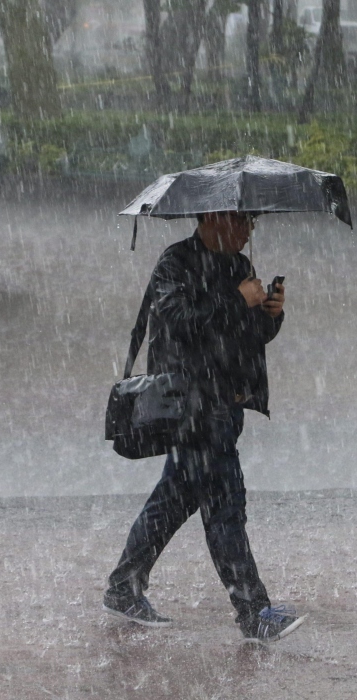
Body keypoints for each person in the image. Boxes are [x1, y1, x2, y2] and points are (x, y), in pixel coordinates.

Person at [103, 210, 304, 643]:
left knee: (174, 500)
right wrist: (236, 300)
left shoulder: (240, 266)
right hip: (192, 407)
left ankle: (124, 586)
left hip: (226, 403)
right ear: (212, 218)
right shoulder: (175, 263)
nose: (250, 229)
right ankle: (253, 611)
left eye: (252, 221)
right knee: (225, 506)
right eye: (243, 220)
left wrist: (270, 314)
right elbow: (178, 323)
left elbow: (248, 334)